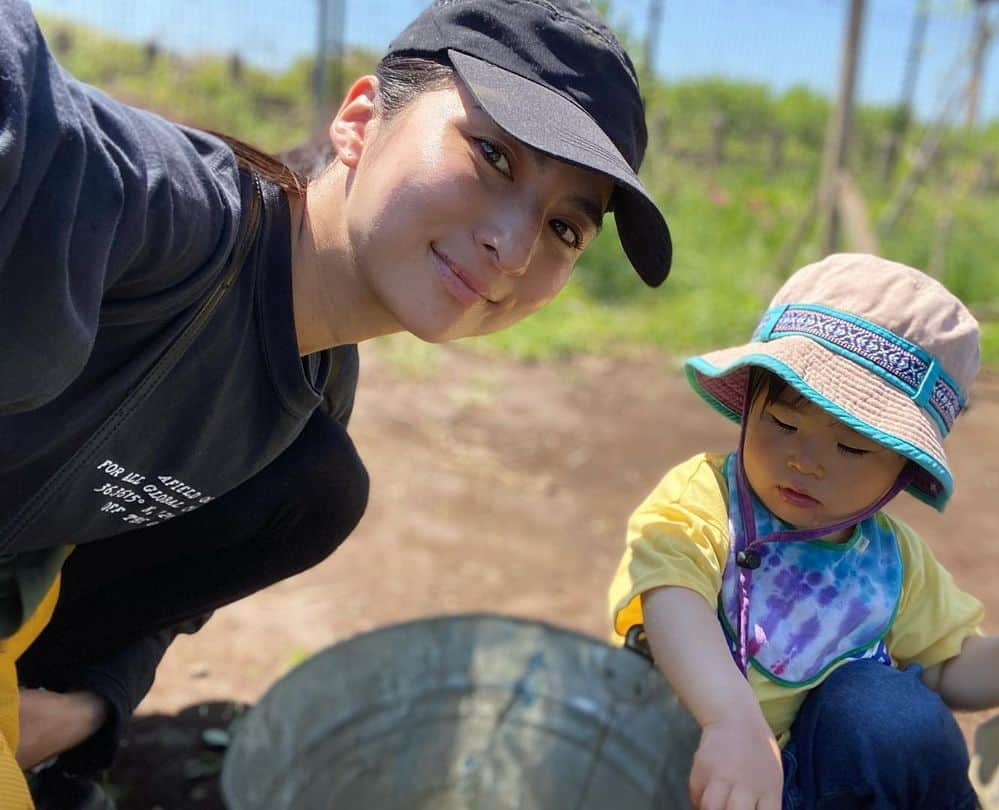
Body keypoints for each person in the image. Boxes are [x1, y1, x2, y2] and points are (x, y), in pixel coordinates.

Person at [0, 0, 672, 805]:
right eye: (493, 153)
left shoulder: (308, 416)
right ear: (358, 121)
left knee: (321, 491)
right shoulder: (151, 215)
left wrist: (85, 711)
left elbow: (155, 610)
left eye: (566, 228)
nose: (515, 246)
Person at [608, 253, 999, 810]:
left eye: (851, 447)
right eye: (783, 423)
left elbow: (952, 670)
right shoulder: (706, 498)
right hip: (685, 764)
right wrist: (730, 719)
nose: (804, 461)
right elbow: (671, 596)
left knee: (887, 707)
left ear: (903, 469)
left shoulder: (889, 562)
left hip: (814, 784)